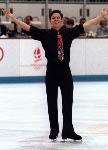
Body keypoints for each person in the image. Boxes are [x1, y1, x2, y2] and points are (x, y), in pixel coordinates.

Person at [2, 8, 108, 141]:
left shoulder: (69, 32)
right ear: (50, 21)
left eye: (58, 17)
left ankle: (68, 130)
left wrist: (100, 16)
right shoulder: (44, 34)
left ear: (62, 19)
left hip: (65, 72)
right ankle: (54, 129)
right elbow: (28, 27)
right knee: (52, 102)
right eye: (53, 18)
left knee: (67, 102)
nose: (56, 19)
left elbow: (86, 25)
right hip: (51, 72)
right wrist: (12, 18)